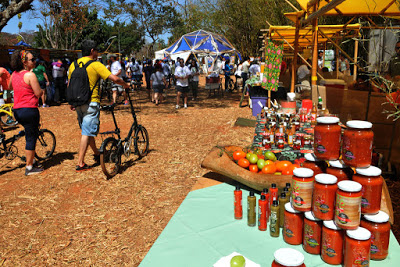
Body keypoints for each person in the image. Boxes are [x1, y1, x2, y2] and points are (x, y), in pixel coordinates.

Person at [68, 40, 129, 171]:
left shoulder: (73, 65)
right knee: (86, 132)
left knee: (87, 130)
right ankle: (80, 163)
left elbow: (69, 85)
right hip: (91, 102)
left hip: (77, 102)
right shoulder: (95, 64)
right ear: (92, 51)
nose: (98, 52)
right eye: (96, 50)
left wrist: (71, 101)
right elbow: (114, 79)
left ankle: (96, 153)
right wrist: (126, 85)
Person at [9, 50, 44, 175]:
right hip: (29, 109)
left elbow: (9, 87)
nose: (35, 61)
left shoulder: (13, 74)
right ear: (24, 62)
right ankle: (29, 167)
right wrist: (41, 92)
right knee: (31, 138)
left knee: (28, 134)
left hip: (17, 110)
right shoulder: (30, 75)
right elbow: (37, 93)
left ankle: (32, 159)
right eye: (32, 59)